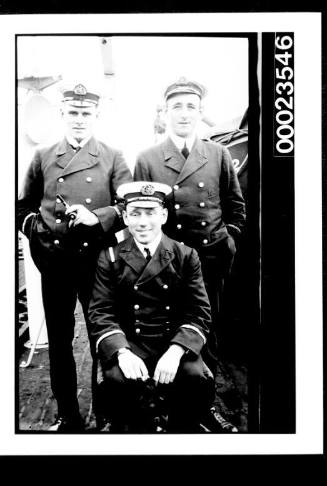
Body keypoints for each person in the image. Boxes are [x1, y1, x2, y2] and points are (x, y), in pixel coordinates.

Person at [18, 81, 132, 431]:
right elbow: (23, 205)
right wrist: (36, 234)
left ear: (96, 115)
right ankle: (69, 414)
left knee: (103, 336)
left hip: (97, 262)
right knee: (60, 342)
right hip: (55, 263)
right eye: (73, 113)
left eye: (86, 113)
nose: (79, 119)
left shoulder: (113, 156)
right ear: (62, 114)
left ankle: (106, 413)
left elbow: (128, 203)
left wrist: (97, 217)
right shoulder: (43, 156)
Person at [134, 77, 246, 369]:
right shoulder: (148, 159)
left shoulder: (218, 154)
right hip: (170, 261)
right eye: (177, 107)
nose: (184, 113)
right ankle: (173, 402)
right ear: (166, 112)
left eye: (191, 107)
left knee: (209, 330)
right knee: (170, 331)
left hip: (212, 257)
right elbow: (139, 214)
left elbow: (236, 207)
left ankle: (206, 405)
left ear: (199, 112)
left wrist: (228, 239)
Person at [88, 181, 214, 433]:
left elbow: (200, 311)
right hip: (130, 342)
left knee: (195, 377)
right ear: (124, 217)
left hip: (172, 341)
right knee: (116, 381)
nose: (143, 222)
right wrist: (122, 353)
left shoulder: (185, 255)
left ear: (164, 215)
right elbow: (100, 311)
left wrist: (177, 350)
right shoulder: (110, 257)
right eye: (135, 213)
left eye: (150, 213)